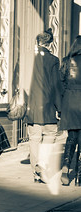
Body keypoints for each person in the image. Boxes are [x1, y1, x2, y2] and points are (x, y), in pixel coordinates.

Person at [24, 29, 62, 183]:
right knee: (50, 136)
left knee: (34, 139)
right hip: (48, 107)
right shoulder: (53, 60)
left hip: (31, 107)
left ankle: (35, 173)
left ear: (38, 42)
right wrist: (59, 108)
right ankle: (42, 164)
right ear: (50, 43)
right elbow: (55, 85)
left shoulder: (28, 58)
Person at [59, 35, 81, 186]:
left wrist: (60, 106)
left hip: (69, 101)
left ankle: (65, 168)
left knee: (71, 136)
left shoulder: (66, 61)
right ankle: (79, 174)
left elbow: (59, 83)